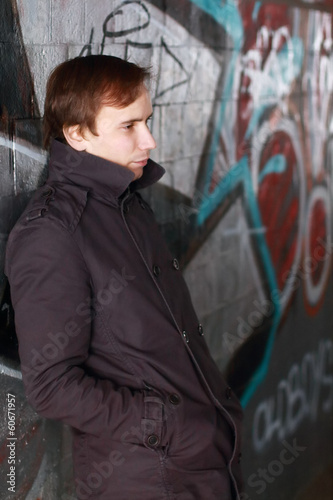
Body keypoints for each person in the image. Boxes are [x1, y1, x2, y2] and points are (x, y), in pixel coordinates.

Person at [5, 55, 243, 500]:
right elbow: (51, 386)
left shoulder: (126, 202)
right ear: (77, 133)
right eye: (129, 126)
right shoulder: (53, 232)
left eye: (147, 121)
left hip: (201, 461)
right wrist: (170, 425)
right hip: (147, 478)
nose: (149, 140)